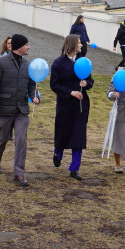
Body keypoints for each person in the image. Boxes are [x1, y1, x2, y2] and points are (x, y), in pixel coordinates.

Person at [0, 33, 40, 186]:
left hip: (21, 110)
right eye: (26, 44)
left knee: (21, 140)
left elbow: (31, 86)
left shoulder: (27, 64)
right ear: (19, 47)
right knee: (2, 139)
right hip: (4, 109)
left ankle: (19, 172)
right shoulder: (0, 62)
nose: (29, 47)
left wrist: (35, 96)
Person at [50, 35, 94, 181]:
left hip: (81, 106)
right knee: (63, 132)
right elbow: (54, 85)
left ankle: (74, 168)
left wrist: (86, 84)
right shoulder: (58, 63)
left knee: (78, 137)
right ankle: (58, 153)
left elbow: (90, 80)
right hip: (65, 105)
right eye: (79, 42)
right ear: (72, 44)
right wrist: (70, 92)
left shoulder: (83, 61)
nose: (81, 45)